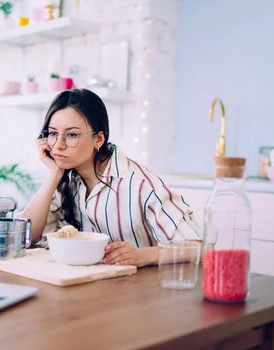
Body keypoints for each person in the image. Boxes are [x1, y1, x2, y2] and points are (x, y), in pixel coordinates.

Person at [21, 88, 202, 268]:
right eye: (52, 133)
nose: (58, 145)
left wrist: (142, 256)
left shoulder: (139, 182)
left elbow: (199, 248)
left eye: (72, 135)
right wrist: (54, 174)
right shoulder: (66, 180)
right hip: (91, 287)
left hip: (142, 289)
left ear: (99, 139)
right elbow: (25, 237)